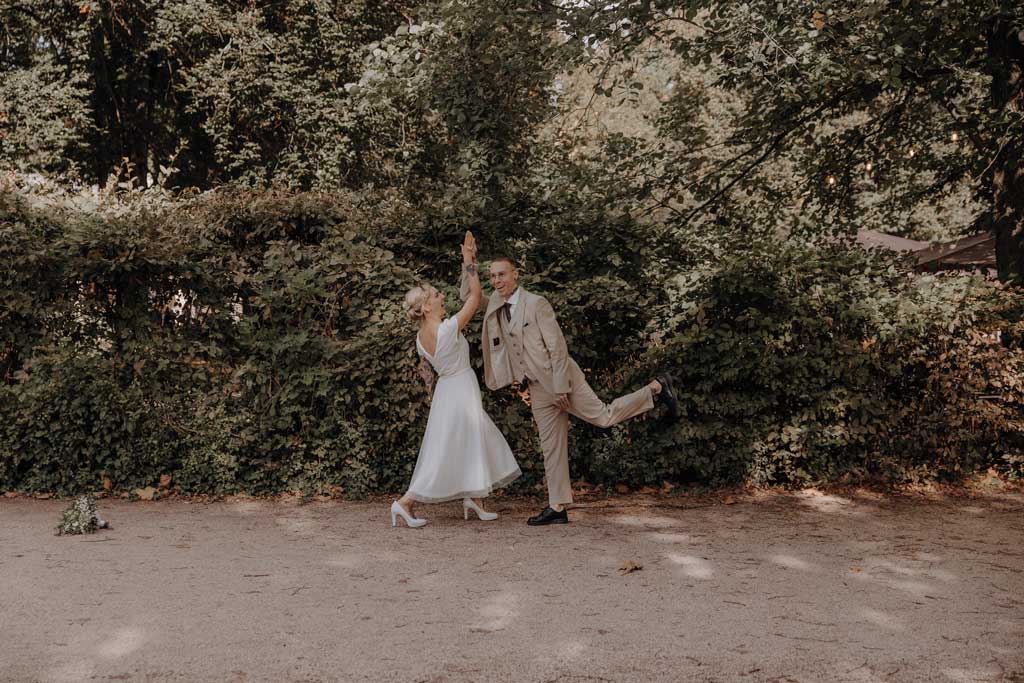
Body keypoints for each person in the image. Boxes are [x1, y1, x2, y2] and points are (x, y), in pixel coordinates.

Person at [461, 246, 678, 526]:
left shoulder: (537, 303)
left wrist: (561, 387)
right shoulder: (495, 305)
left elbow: (557, 348)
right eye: (492, 276)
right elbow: (470, 296)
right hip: (537, 387)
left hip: (562, 381)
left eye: (501, 274)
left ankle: (656, 388)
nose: (497, 280)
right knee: (551, 446)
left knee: (603, 416)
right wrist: (469, 263)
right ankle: (557, 507)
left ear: (515, 275)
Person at [390, 233, 521, 528]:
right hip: (460, 386)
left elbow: (428, 374)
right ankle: (404, 502)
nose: (441, 297)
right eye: (436, 295)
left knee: (470, 439)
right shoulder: (448, 329)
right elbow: (475, 297)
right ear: (425, 307)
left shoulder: (420, 340)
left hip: (448, 390)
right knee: (448, 447)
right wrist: (468, 262)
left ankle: (473, 497)